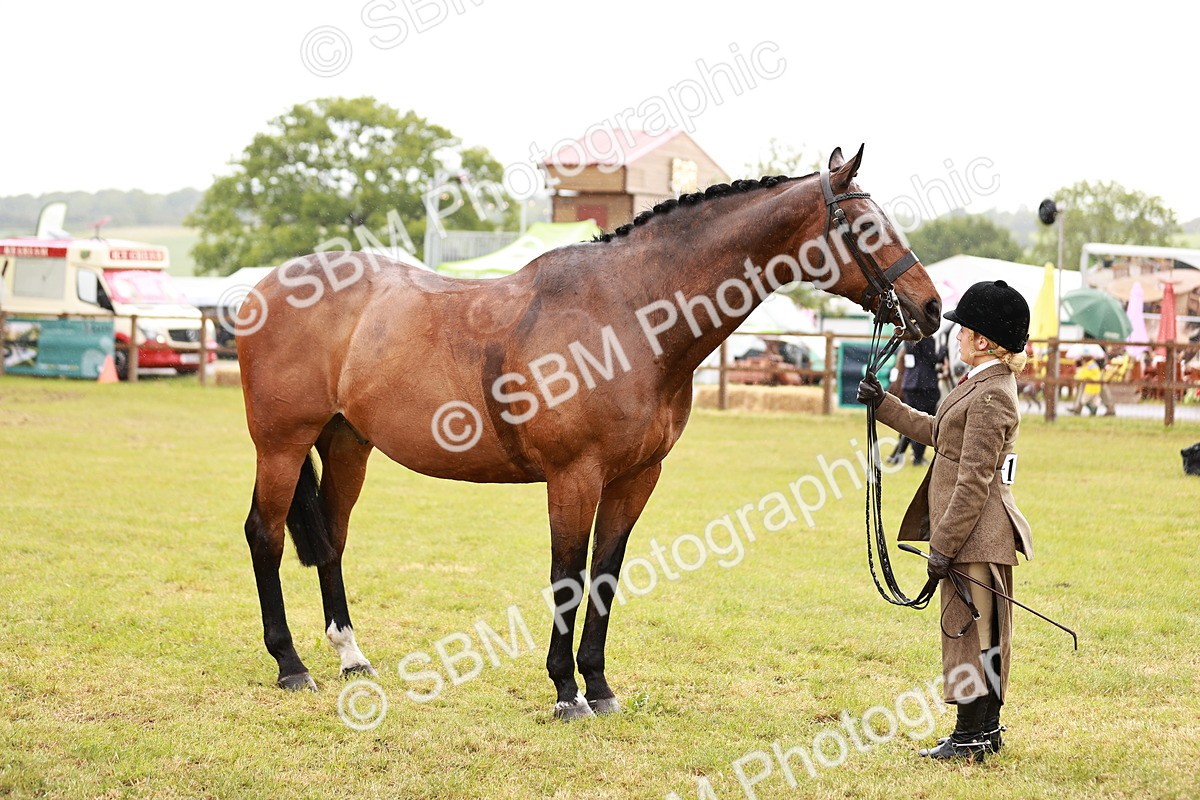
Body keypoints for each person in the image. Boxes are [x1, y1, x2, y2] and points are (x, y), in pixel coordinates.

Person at [857, 279, 1034, 762]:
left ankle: (972, 736)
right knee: (977, 634)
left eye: (963, 330)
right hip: (971, 536)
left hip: (976, 536)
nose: (955, 337)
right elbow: (938, 432)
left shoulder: (992, 395)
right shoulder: (980, 385)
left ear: (983, 340)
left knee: (973, 637)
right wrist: (884, 405)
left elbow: (974, 481)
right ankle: (982, 732)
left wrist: (943, 546)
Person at [886, 336, 943, 467]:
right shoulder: (926, 337)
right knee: (923, 421)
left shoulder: (908, 337)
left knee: (909, 420)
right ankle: (917, 457)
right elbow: (931, 359)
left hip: (910, 382)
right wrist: (942, 352)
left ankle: (898, 454)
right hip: (925, 384)